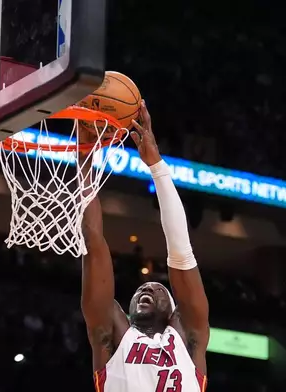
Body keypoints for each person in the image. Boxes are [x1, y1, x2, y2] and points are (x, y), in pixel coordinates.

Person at [79, 100, 209, 392]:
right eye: (145, 289)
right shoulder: (111, 334)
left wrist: (157, 166)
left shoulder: (188, 334)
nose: (145, 288)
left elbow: (182, 254)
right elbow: (94, 240)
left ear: (174, 312)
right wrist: (86, 158)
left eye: (155, 290)